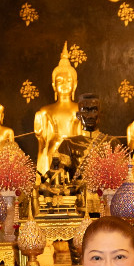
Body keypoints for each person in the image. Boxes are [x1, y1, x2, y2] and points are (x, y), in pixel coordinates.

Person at [34, 42, 81, 175]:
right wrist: (40, 173)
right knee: (53, 179)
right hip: (53, 152)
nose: (64, 84)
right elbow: (42, 146)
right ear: (54, 86)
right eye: (59, 81)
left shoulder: (80, 109)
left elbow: (84, 141)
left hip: (74, 153)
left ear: (75, 85)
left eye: (68, 81)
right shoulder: (45, 111)